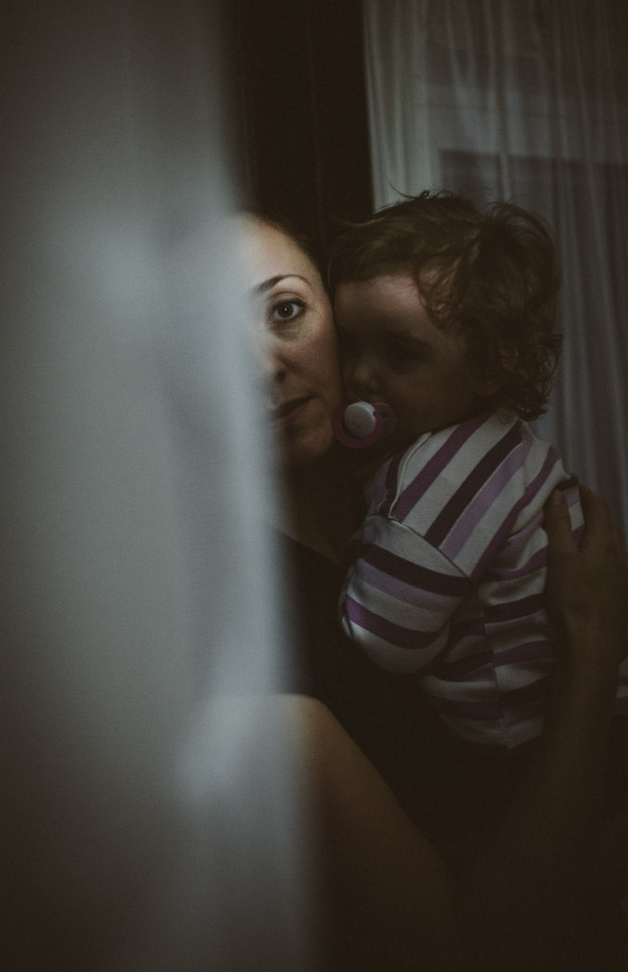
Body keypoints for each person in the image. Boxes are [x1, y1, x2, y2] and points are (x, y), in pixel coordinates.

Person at [241, 207, 628, 971]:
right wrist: (592, 651)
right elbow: (470, 949)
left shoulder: (402, 486)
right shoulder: (257, 624)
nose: (262, 366)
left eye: (285, 311)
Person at [327, 191, 628, 752]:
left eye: (400, 354)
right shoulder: (497, 444)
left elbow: (387, 639)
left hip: (521, 742)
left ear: (489, 365)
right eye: (350, 346)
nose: (360, 375)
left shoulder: (445, 473)